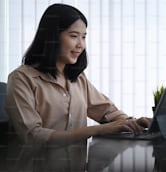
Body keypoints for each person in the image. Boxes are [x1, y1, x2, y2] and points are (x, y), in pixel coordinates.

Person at [5, 3, 151, 171]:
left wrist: (131, 123)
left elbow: (106, 111)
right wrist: (96, 130)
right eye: (74, 36)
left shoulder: (77, 78)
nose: (81, 45)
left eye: (84, 37)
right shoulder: (22, 78)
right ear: (52, 37)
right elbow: (33, 136)